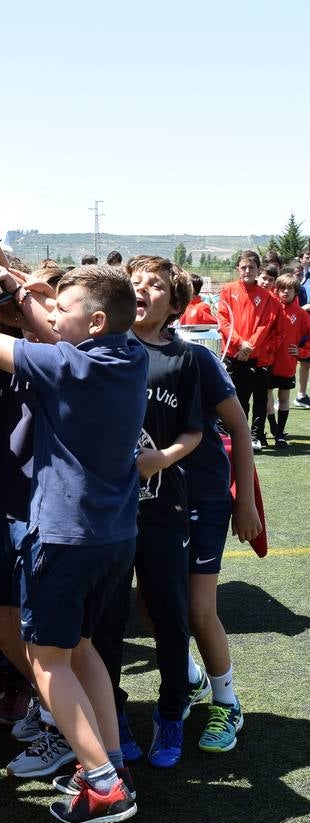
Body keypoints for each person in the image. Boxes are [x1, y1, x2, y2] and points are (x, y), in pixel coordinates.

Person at [0, 264, 147, 823]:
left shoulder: (67, 363)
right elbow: (55, 324)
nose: (46, 317)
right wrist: (22, 289)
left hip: (63, 537)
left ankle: (102, 783)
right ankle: (111, 762)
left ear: (93, 321)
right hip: (114, 537)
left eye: (61, 310)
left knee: (46, 661)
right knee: (82, 649)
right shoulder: (129, 354)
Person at [92, 256, 202, 770]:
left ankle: (172, 711)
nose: (144, 290)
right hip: (109, 516)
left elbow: (195, 432)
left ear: (175, 302)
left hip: (164, 512)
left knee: (169, 615)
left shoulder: (185, 359)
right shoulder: (104, 349)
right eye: (135, 283)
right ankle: (114, 712)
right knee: (108, 618)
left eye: (156, 285)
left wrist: (160, 459)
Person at [176, 333, 261, 753]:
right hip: (149, 502)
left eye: (154, 284)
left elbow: (239, 426)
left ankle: (226, 701)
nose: (141, 292)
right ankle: (190, 677)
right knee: (153, 606)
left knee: (198, 609)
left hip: (203, 498)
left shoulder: (196, 357)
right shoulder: (119, 353)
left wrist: (243, 499)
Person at [217, 250, 281, 451]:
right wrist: (238, 342)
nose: (247, 270)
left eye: (251, 267)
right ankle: (222, 434)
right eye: (243, 267)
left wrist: (248, 345)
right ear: (238, 268)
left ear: (258, 269)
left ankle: (242, 437)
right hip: (231, 353)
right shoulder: (228, 289)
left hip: (251, 355)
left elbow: (265, 324)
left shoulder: (266, 296)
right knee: (224, 396)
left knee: (244, 398)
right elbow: (223, 320)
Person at [267, 273, 310, 446]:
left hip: (287, 364)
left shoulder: (301, 314)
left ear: (296, 292)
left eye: (289, 289)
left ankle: (280, 435)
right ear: (276, 290)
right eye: (282, 288)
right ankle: (274, 427)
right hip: (268, 362)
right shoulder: (270, 308)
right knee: (267, 396)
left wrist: (302, 351)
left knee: (284, 398)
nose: (285, 292)